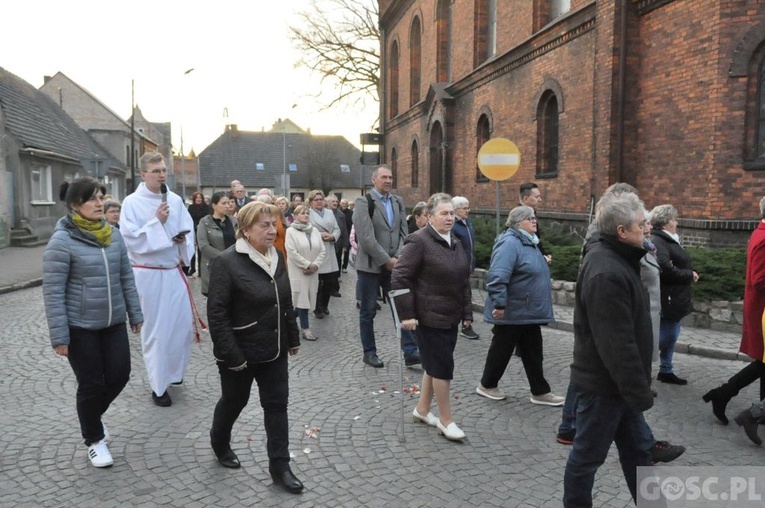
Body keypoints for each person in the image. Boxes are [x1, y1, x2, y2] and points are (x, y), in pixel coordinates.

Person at [562, 192, 656, 506]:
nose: (647, 229)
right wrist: (639, 392)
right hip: (605, 387)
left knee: (639, 453)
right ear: (622, 232)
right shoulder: (608, 272)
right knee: (587, 458)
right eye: (641, 225)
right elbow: (616, 344)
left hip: (621, 387)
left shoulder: (617, 259)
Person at [43, 177, 143, 468]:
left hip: (113, 322)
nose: (100, 203)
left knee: (120, 375)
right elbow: (53, 291)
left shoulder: (113, 235)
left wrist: (135, 314)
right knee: (90, 384)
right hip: (80, 326)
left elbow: (126, 277)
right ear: (75, 206)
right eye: (93, 199)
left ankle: (90, 419)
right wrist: (59, 336)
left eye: (101, 197)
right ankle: (95, 440)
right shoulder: (61, 241)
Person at [206, 202, 303, 494]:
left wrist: (293, 336)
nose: (272, 230)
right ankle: (219, 441)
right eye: (264, 225)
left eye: (274, 224)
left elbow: (284, 300)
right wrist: (232, 355)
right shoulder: (227, 262)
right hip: (240, 351)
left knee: (277, 405)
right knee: (234, 401)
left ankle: (280, 467)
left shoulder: (277, 257)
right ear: (246, 230)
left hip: (274, 349)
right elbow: (217, 314)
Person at [119, 151, 198, 407]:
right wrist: (157, 222)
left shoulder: (174, 200)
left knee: (181, 327)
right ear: (143, 174)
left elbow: (188, 230)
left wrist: (181, 239)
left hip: (173, 271)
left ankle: (174, 374)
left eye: (164, 170)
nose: (162, 174)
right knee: (156, 331)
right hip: (149, 274)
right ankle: (158, 386)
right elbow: (131, 239)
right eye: (156, 171)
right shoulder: (131, 203)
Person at [392, 193, 473, 441]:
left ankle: (423, 409)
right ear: (429, 216)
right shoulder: (418, 241)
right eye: (444, 213)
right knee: (442, 367)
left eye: (451, 213)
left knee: (434, 363)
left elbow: (464, 279)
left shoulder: (456, 241)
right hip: (428, 316)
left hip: (451, 314)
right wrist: (407, 314)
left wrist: (467, 312)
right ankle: (446, 421)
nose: (449, 218)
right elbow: (399, 277)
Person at [476, 206, 564, 406]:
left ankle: (540, 391)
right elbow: (498, 275)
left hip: (527, 310)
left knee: (533, 351)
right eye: (529, 218)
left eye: (535, 217)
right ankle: (487, 385)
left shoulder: (529, 242)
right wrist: (499, 303)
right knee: (502, 348)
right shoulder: (510, 243)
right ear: (517, 223)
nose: (535, 221)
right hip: (513, 309)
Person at [704, 196, 765, 424]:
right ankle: (733, 399)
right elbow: (759, 279)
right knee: (763, 360)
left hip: (761, 310)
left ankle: (725, 395)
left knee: (763, 361)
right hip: (762, 312)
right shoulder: (763, 238)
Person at [353, 165, 420, 368]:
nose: (388, 180)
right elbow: (365, 237)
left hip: (395, 265)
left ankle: (410, 352)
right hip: (370, 266)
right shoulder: (364, 202)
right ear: (374, 180)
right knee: (368, 311)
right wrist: (386, 260)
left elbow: (403, 233)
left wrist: (398, 256)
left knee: (401, 307)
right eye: (384, 177)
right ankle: (370, 352)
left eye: (391, 177)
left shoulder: (398, 201)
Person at [650, 204, 699, 385]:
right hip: (668, 296)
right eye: (674, 219)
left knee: (673, 331)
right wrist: (689, 274)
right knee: (669, 334)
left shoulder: (669, 239)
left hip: (676, 295)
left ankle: (666, 369)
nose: (676, 223)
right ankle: (641, 363)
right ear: (665, 222)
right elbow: (664, 267)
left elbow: (674, 264)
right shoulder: (659, 240)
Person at [285, 204, 326, 342]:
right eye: (302, 213)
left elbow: (322, 250)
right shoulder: (290, 231)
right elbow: (291, 252)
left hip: (313, 271)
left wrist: (315, 265)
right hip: (299, 271)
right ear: (295, 216)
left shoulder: (314, 230)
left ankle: (286, 320)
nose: (306, 215)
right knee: (301, 300)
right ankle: (305, 329)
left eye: (307, 213)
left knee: (307, 299)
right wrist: (307, 264)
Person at [197, 192, 237, 297]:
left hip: (234, 267)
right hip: (214, 267)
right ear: (214, 205)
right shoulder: (205, 222)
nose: (227, 206)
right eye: (224, 203)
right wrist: (223, 257)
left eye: (228, 203)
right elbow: (203, 246)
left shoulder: (234, 222)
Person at [308, 190, 341, 318]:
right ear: (311, 202)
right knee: (317, 282)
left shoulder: (329, 213)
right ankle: (317, 307)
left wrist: (333, 236)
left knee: (329, 281)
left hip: (329, 248)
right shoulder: (308, 213)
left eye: (321, 199)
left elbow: (337, 228)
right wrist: (319, 234)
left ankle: (325, 305)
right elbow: (305, 228)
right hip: (316, 249)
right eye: (316, 199)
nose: (319, 201)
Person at [451, 196, 479, 340]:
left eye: (468, 207)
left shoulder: (467, 223)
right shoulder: (453, 225)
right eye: (465, 208)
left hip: (467, 267)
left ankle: (465, 324)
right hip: (458, 268)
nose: (468, 210)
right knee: (463, 296)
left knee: (466, 296)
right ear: (456, 210)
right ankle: (464, 325)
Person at [519, 182, 551, 264]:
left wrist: (544, 255)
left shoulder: (531, 215)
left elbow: (536, 241)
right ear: (526, 199)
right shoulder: (519, 219)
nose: (540, 200)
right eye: (537, 197)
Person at [187, 191, 211, 277]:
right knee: (192, 250)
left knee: (201, 251)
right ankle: (192, 268)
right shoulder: (191, 207)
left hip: (203, 230)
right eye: (197, 198)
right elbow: (189, 218)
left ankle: (201, 270)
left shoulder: (206, 207)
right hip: (193, 230)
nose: (198, 199)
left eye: (200, 198)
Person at [326, 195, 348, 287]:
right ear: (328, 203)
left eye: (336, 201)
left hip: (338, 243)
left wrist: (345, 245)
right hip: (326, 242)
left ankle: (335, 284)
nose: (335, 203)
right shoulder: (324, 213)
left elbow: (344, 230)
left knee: (337, 262)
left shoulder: (341, 215)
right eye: (333, 201)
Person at [340, 198, 354, 273]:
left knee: (347, 252)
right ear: (340, 204)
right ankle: (338, 267)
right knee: (338, 252)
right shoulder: (338, 212)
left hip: (348, 234)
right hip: (339, 235)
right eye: (343, 203)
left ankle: (344, 266)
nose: (344, 205)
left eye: (345, 203)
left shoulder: (351, 213)